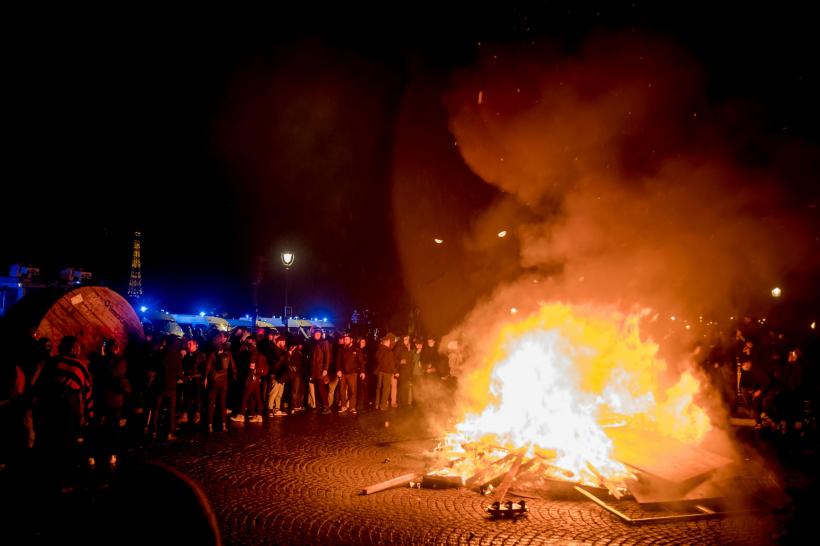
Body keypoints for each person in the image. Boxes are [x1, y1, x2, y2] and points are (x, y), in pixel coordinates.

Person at [374, 333, 396, 411]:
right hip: (385, 372)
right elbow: (391, 363)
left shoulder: (381, 350)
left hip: (382, 372)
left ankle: (379, 404)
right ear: (386, 341)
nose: (389, 343)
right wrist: (395, 371)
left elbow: (378, 360)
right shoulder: (386, 351)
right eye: (388, 341)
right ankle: (381, 405)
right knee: (384, 388)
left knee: (380, 388)